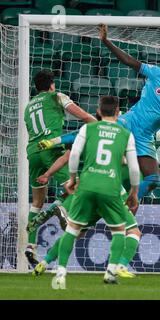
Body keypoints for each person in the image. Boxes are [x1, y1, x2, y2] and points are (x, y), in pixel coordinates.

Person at [98, 23, 160, 201]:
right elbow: (129, 61)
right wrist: (106, 41)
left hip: (146, 136)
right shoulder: (158, 74)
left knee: (153, 179)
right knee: (96, 140)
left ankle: (126, 205)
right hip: (129, 122)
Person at [53, 96, 140, 288]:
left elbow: (74, 154)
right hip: (111, 188)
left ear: (99, 112)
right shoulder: (126, 134)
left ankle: (60, 273)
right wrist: (134, 192)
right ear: (118, 112)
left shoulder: (88, 128)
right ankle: (110, 272)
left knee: (73, 228)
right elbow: (134, 168)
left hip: (86, 185)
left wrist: (73, 178)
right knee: (119, 230)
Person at [24, 70, 96, 267]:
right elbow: (82, 115)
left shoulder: (28, 107)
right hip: (50, 149)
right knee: (76, 188)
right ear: (52, 84)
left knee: (37, 202)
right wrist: (100, 126)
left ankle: (30, 245)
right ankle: (60, 208)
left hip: (33, 152)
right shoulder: (57, 96)